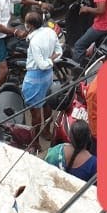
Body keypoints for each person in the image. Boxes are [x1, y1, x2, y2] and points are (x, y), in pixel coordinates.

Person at [22, 10, 61, 140]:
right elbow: (59, 52)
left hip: (34, 79)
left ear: (30, 26)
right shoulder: (50, 32)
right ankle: (46, 132)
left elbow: (42, 64)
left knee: (36, 114)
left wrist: (48, 60)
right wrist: (52, 58)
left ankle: (35, 141)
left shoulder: (34, 42)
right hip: (48, 76)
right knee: (47, 105)